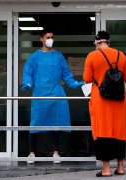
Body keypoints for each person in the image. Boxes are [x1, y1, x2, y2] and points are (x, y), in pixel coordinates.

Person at [21, 29, 84, 164]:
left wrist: (76, 84)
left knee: (56, 123)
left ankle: (56, 151)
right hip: (40, 95)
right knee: (35, 123)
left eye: (52, 37)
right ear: (41, 39)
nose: (50, 39)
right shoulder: (34, 57)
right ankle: (32, 152)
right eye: (48, 37)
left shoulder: (58, 56)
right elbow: (28, 73)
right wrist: (27, 83)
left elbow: (67, 75)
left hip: (56, 94)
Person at [83, 31, 126, 177]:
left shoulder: (92, 56)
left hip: (101, 101)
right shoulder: (121, 55)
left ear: (97, 43)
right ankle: (121, 167)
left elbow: (86, 79)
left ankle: (106, 169)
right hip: (119, 101)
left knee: (103, 132)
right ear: (108, 42)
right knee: (119, 132)